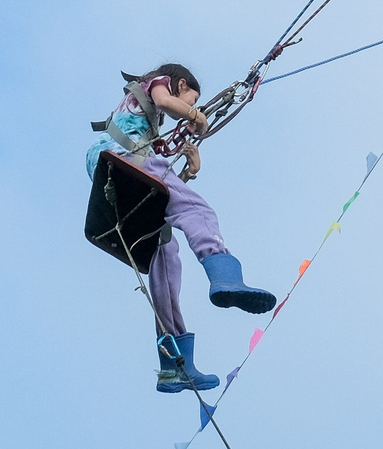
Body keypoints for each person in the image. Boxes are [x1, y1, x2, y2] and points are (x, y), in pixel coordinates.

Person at [86, 63, 274, 394]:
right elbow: (166, 101)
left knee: (166, 258)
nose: (191, 108)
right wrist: (197, 118)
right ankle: (224, 274)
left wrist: (191, 169)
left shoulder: (148, 130)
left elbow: (169, 194)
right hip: (121, 156)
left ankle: (173, 367)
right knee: (200, 210)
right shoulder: (155, 85)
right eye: (191, 98)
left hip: (122, 171)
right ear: (180, 83)